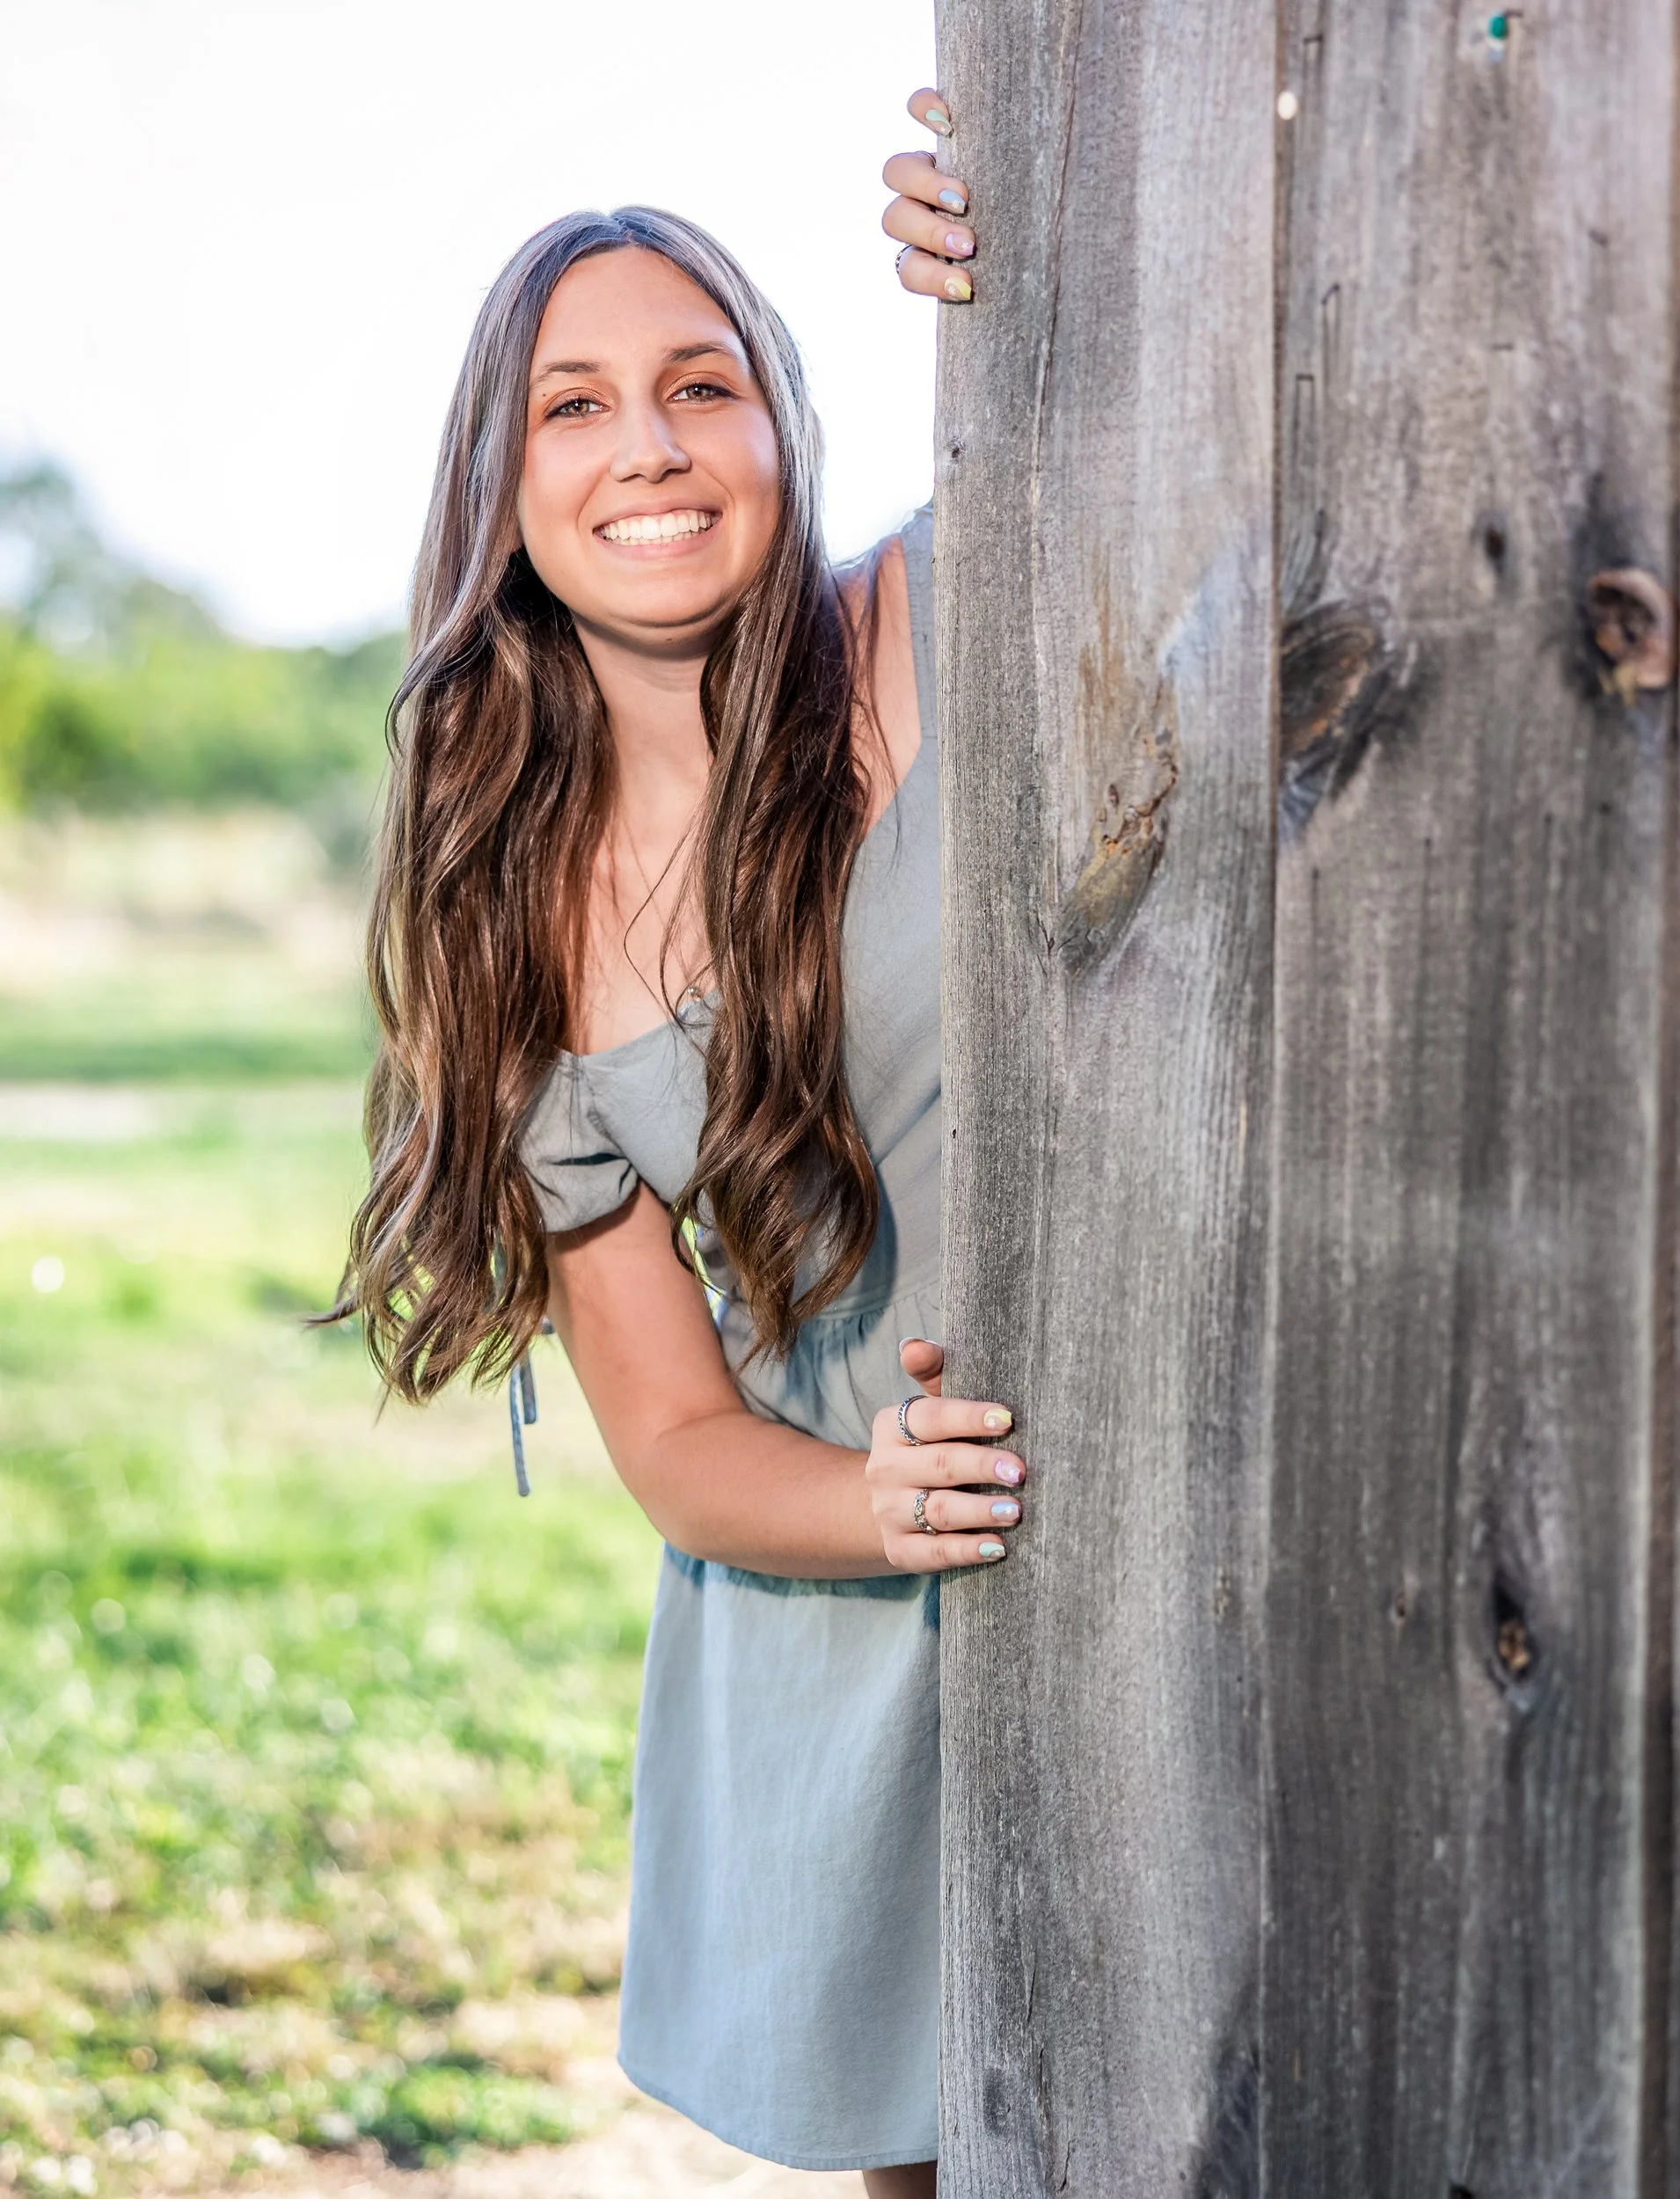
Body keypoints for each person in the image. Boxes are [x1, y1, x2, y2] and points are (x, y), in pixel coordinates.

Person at [333, 91, 995, 2199]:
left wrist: (1029, 260)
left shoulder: (914, 637)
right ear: (504, 484)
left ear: (782, 423)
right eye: (578, 406)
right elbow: (675, 1430)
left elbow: (1181, 432)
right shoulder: (513, 929)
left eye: (701, 384)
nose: (649, 447)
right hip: (850, 1579)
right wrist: (876, 1500)